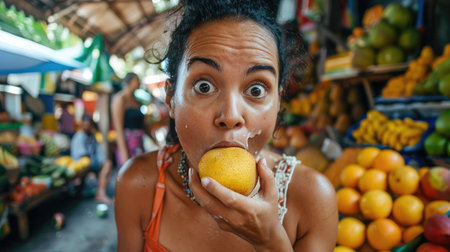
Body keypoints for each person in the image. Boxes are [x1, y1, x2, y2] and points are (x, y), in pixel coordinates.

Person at [115, 1, 338, 251]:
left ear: (277, 103)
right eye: (204, 86)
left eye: (256, 89)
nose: (231, 116)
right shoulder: (137, 185)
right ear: (171, 99)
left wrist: (271, 241)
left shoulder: (312, 200)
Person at [71, 114, 113, 204]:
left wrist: (103, 162)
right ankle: (97, 191)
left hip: (93, 163)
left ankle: (100, 193)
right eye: (85, 123)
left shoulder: (93, 137)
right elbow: (81, 158)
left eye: (88, 123)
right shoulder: (79, 137)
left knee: (108, 164)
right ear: (81, 124)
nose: (86, 125)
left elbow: (100, 154)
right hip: (82, 165)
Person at [111, 73, 146, 166]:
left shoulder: (137, 101)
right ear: (130, 82)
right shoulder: (120, 99)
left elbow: (144, 126)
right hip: (127, 145)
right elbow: (118, 129)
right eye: (137, 80)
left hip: (139, 145)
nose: (139, 82)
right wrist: (124, 155)